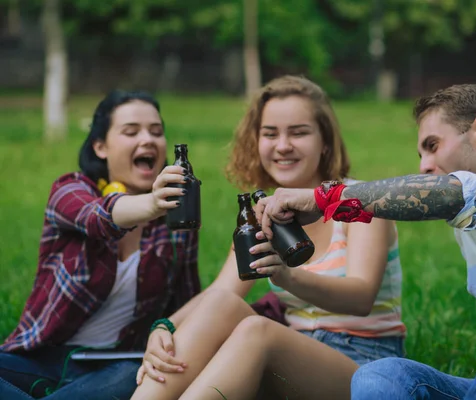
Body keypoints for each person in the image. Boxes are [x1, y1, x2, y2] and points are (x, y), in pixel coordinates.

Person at [255, 84, 476, 400]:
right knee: (380, 377)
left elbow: (456, 196)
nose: (424, 166)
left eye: (432, 147)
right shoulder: (472, 229)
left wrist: (326, 200)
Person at [131, 75, 405, 400]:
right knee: (223, 305)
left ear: (325, 142)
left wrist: (286, 276)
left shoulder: (356, 201)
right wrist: (163, 327)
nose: (282, 145)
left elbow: (360, 298)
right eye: (270, 133)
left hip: (364, 365)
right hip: (292, 357)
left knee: (257, 331)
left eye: (299, 132)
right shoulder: (263, 215)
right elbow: (219, 294)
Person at [0, 90, 202, 400]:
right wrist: (152, 202)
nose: (148, 139)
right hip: (40, 360)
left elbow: (187, 303)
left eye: (157, 132)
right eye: (131, 131)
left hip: (115, 366)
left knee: (132, 375)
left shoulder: (178, 224)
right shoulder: (70, 190)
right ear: (100, 146)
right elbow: (98, 218)